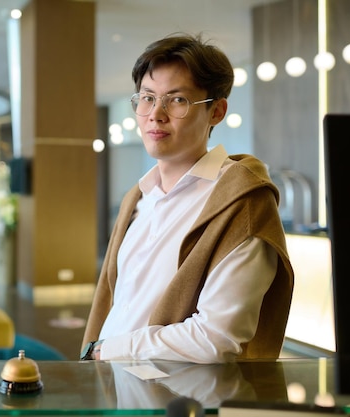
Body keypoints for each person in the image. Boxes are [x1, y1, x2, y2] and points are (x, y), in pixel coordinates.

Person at [80, 33, 294, 364]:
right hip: (111, 388)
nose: (156, 114)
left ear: (216, 112)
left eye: (177, 100)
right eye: (148, 98)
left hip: (177, 400)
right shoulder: (137, 197)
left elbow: (216, 338)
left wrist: (107, 350)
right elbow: (118, 305)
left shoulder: (242, 203)